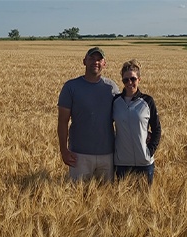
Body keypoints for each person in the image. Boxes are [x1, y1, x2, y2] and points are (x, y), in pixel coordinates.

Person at [57, 47, 119, 182]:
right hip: (79, 155)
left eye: (99, 59)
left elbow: (122, 117)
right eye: (91, 58)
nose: (95, 62)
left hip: (107, 154)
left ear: (104, 63)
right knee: (78, 198)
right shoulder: (71, 87)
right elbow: (62, 121)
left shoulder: (112, 87)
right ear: (84, 61)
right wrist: (64, 150)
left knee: (105, 198)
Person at [113, 59, 161, 184]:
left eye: (133, 79)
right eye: (125, 80)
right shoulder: (115, 102)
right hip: (122, 162)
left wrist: (149, 151)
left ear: (139, 79)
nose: (129, 82)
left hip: (144, 163)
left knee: (145, 200)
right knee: (122, 202)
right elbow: (106, 127)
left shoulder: (148, 101)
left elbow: (157, 129)